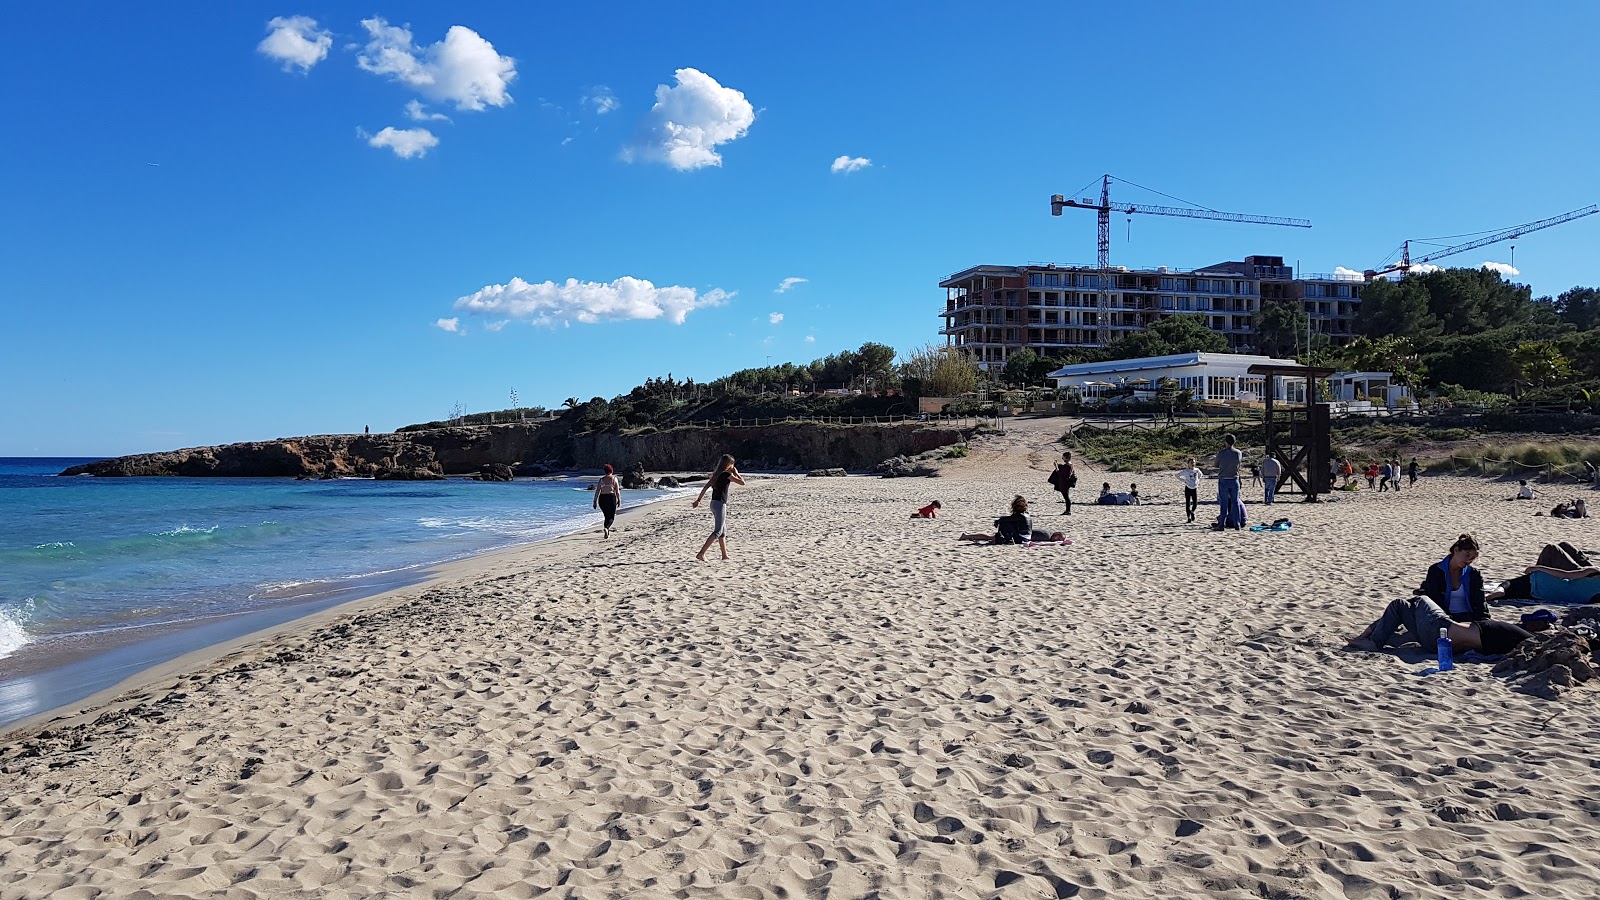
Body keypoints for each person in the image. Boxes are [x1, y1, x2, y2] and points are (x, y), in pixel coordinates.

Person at [1347, 595, 1533, 658]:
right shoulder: (1506, 641)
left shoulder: (1524, 640)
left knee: (1418, 599)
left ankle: (1372, 638)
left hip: (1439, 629)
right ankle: (1372, 637)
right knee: (1403, 607)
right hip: (1436, 643)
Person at [1415, 534, 1487, 623]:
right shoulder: (1436, 571)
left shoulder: (1474, 574)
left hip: (1469, 619)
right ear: (1456, 550)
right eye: (1467, 555)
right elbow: (1433, 600)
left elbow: (1480, 603)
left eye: (1472, 558)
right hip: (1443, 618)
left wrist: (1483, 622)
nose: (1469, 561)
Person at [692, 454, 746, 561]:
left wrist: (698, 500)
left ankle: (724, 555)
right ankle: (701, 553)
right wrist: (736, 473)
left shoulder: (716, 474)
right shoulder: (727, 474)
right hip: (720, 504)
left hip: (713, 503)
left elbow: (706, 487)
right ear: (729, 464)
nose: (733, 466)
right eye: (732, 464)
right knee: (717, 531)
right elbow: (742, 483)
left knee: (723, 531)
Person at [959, 495, 1033, 544]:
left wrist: (998, 521)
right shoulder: (1026, 515)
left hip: (1020, 539)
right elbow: (1009, 519)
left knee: (1002, 525)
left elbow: (1005, 520)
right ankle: (967, 536)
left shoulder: (1020, 516)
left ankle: (967, 536)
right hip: (1025, 538)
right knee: (991, 536)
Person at [1214, 433, 1243, 530]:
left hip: (1224, 479)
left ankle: (1221, 524)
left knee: (1224, 504)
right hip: (1234, 478)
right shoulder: (1238, 453)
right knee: (1235, 503)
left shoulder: (1221, 453)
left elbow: (1216, 464)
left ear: (1226, 442)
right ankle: (1237, 524)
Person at [593, 463, 622, 538]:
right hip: (611, 497)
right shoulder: (614, 479)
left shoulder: (601, 480)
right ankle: (606, 528)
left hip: (602, 499)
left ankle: (607, 531)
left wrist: (595, 501)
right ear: (611, 470)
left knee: (606, 516)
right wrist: (619, 500)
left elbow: (597, 491)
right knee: (611, 517)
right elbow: (617, 491)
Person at [1177, 457, 1202, 523]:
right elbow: (1177, 475)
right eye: (1191, 462)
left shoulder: (1197, 470)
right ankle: (1188, 518)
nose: (1193, 464)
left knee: (1195, 503)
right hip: (1188, 488)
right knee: (1188, 503)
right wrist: (1184, 481)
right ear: (1188, 464)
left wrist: (1197, 481)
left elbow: (1200, 475)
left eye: (1193, 462)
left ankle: (1192, 512)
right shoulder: (1185, 471)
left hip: (1194, 488)